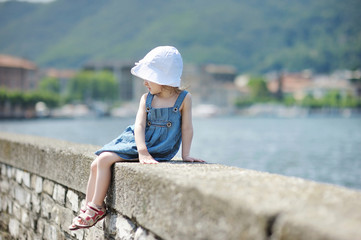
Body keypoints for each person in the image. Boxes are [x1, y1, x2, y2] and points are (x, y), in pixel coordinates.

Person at [69, 46, 205, 230]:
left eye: (149, 78)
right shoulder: (146, 99)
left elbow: (187, 128)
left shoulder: (183, 99)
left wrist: (186, 154)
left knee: (103, 161)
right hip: (138, 142)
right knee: (96, 163)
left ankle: (98, 207)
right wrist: (142, 151)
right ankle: (88, 207)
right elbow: (139, 126)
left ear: (162, 78)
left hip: (159, 147)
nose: (144, 83)